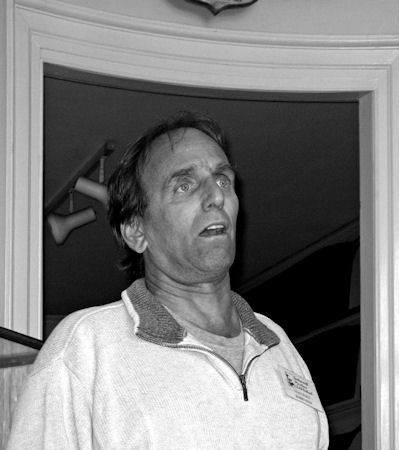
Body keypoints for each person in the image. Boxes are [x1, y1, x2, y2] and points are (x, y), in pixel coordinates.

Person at [7, 111, 329, 449]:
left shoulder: (276, 341)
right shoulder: (84, 347)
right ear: (136, 230)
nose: (216, 196)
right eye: (185, 185)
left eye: (222, 179)